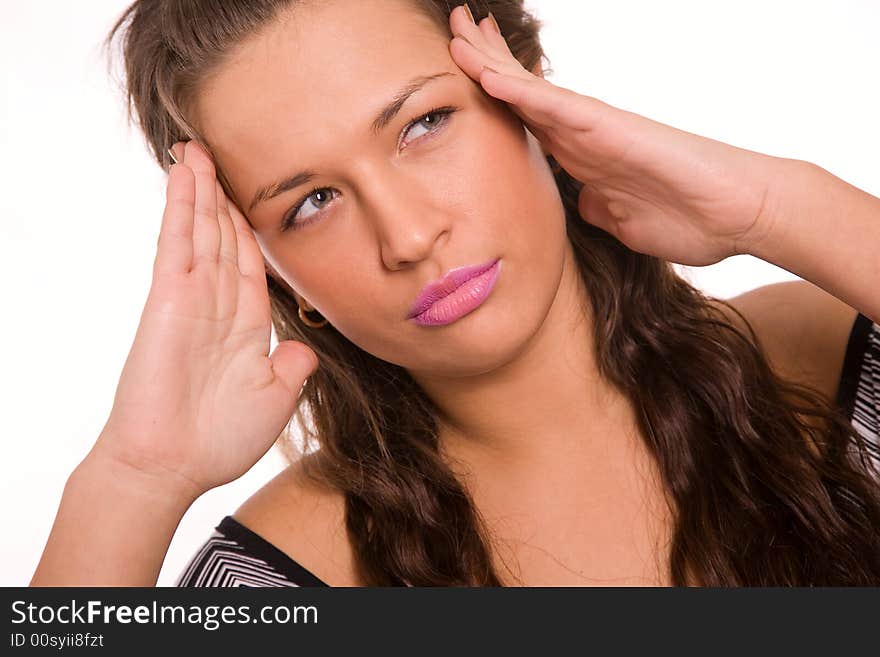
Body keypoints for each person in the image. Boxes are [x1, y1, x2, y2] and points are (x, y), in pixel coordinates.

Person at [31, 0, 880, 587]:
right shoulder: (290, 570)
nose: (405, 237)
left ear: (524, 90)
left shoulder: (835, 364)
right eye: (311, 203)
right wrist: (132, 480)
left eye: (423, 125)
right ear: (272, 269)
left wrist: (782, 206)